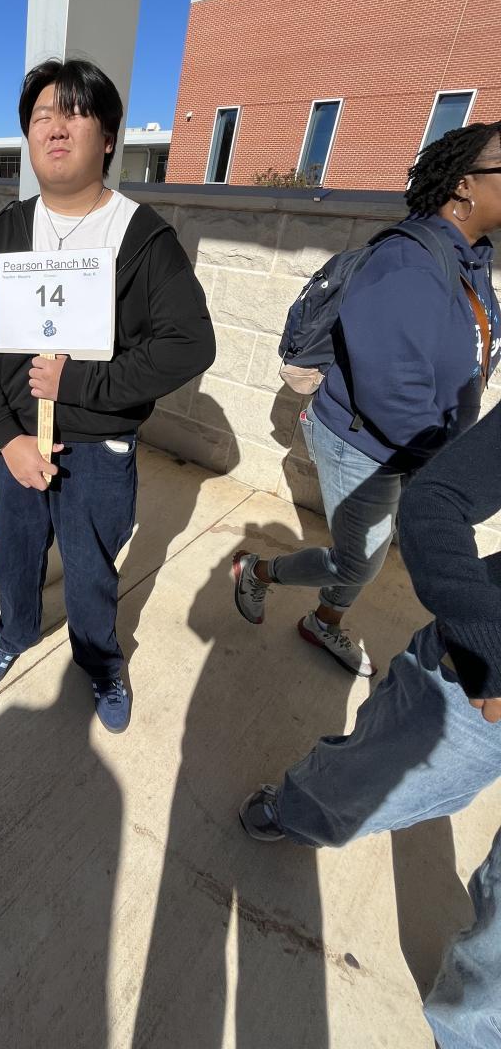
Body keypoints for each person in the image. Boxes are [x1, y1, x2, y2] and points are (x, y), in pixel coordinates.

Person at [0, 58, 215, 732]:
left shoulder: (141, 237)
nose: (56, 127)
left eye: (74, 113)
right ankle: (13, 631)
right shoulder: (5, 234)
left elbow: (189, 344)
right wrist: (5, 438)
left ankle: (100, 662)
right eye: (42, 116)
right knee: (15, 552)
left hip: (100, 447)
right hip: (15, 443)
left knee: (91, 568)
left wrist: (81, 384)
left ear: (108, 138)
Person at [239, 399, 501, 1048]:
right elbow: (437, 498)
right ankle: (297, 808)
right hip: (476, 688)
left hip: (395, 446)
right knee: (359, 785)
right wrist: (490, 652)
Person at [232, 121, 501, 677]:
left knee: (364, 556)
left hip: (415, 448)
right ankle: (257, 572)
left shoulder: (473, 261)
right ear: (463, 185)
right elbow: (391, 387)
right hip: (365, 444)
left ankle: (323, 619)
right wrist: (443, 470)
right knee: (360, 561)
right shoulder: (407, 260)